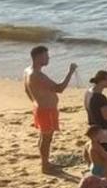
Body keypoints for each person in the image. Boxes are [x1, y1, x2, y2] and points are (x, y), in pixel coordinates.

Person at [24, 45, 77, 173]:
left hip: (41, 108)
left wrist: (35, 101)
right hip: (46, 110)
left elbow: (26, 89)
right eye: (46, 56)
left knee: (44, 136)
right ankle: (45, 165)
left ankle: (45, 162)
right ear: (38, 57)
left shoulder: (27, 71)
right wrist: (70, 71)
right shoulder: (37, 75)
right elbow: (60, 88)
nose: (48, 58)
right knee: (47, 138)